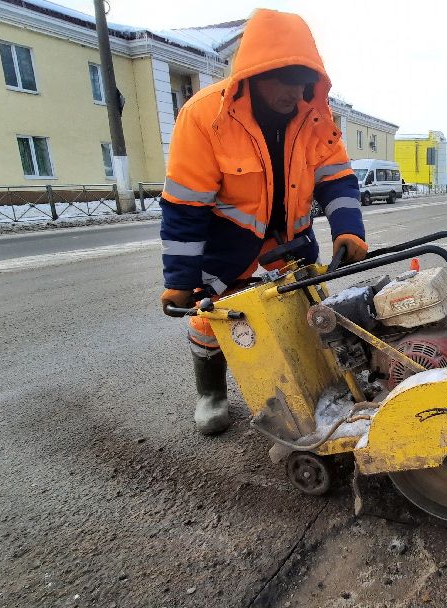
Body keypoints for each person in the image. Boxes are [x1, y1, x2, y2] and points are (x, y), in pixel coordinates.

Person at [158, 9, 367, 435]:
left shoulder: (315, 117)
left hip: (289, 237)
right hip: (229, 241)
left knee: (310, 306)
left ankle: (322, 380)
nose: (294, 92)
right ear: (255, 73)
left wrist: (349, 232)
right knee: (211, 318)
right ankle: (212, 394)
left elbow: (336, 179)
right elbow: (184, 206)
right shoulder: (204, 118)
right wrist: (179, 279)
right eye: (284, 79)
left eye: (302, 80)